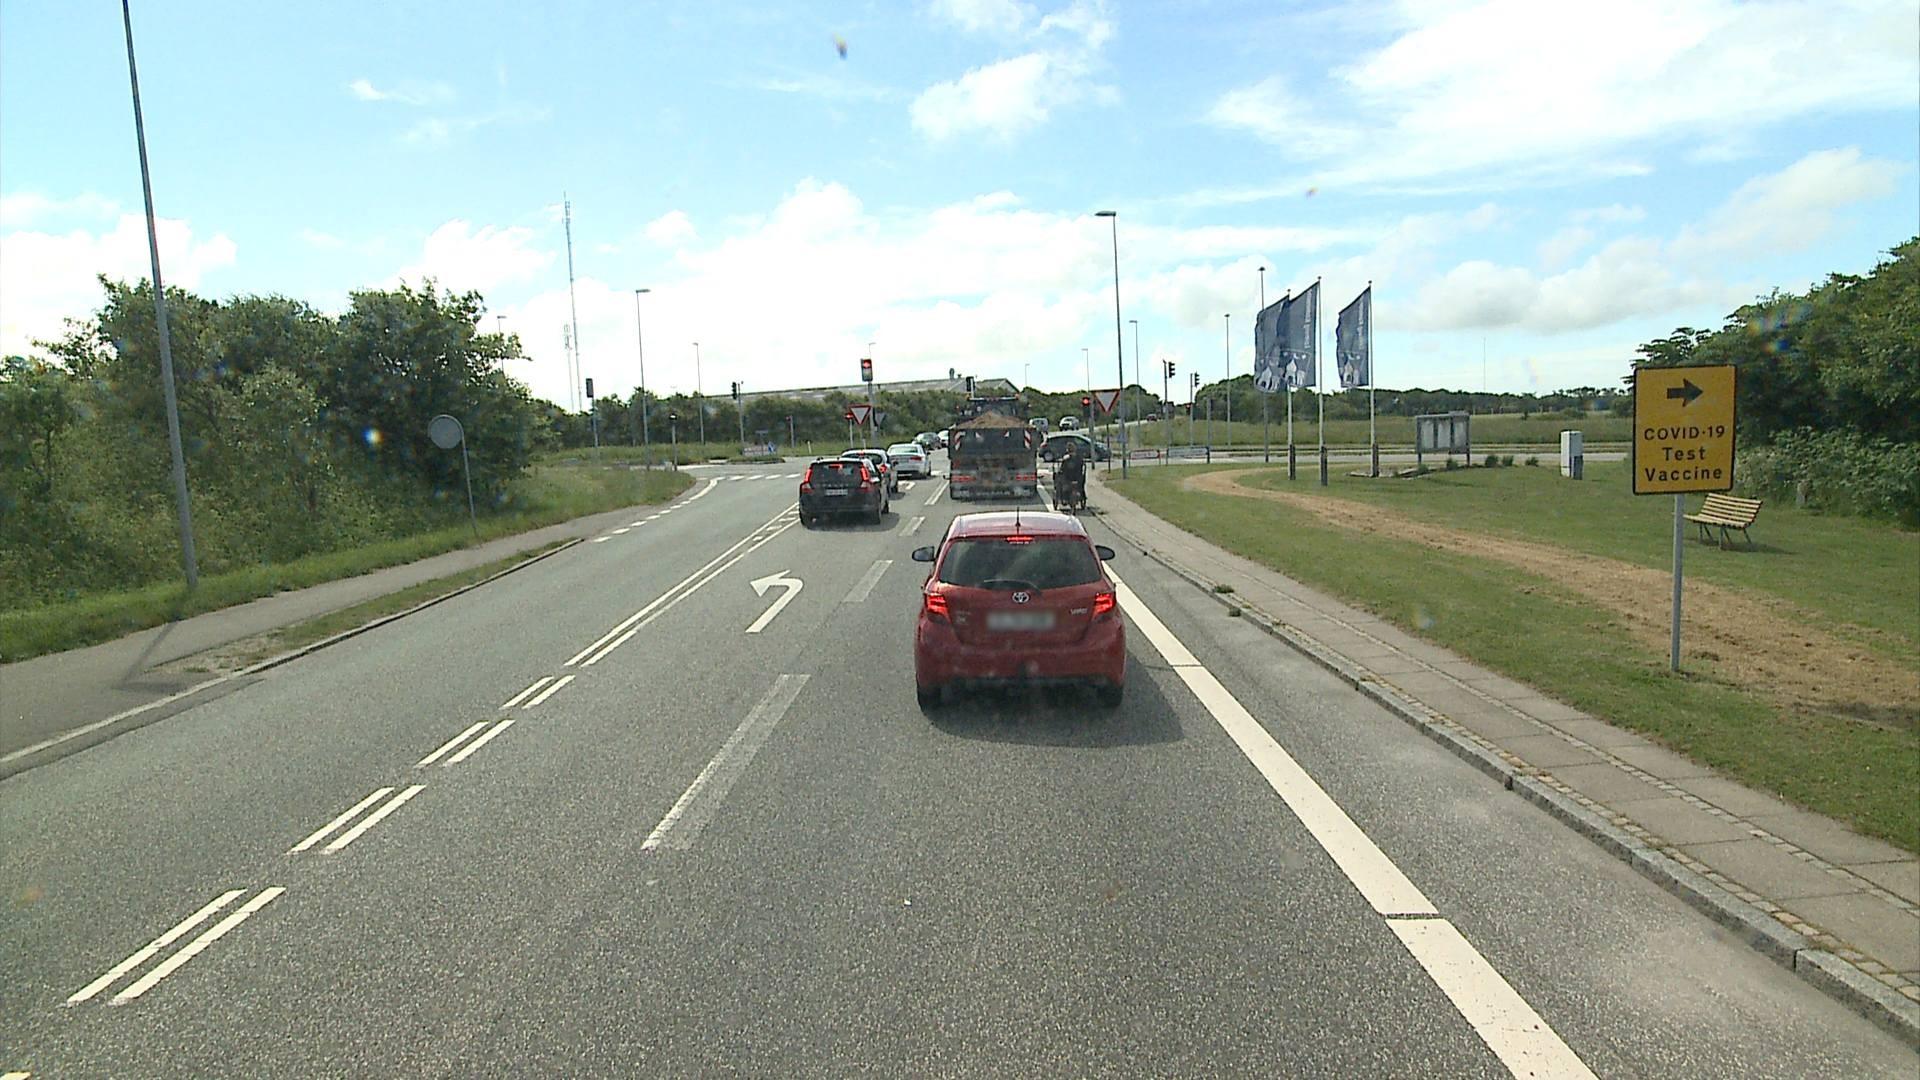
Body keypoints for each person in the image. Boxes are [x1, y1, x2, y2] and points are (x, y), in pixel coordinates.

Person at [1057, 441, 1086, 510]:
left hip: (1068, 478)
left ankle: (1064, 498)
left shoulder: (1066, 459)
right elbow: (1081, 468)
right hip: (1078, 478)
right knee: (1080, 487)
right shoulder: (1079, 459)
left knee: (1062, 484)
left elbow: (1062, 469)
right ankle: (1080, 496)